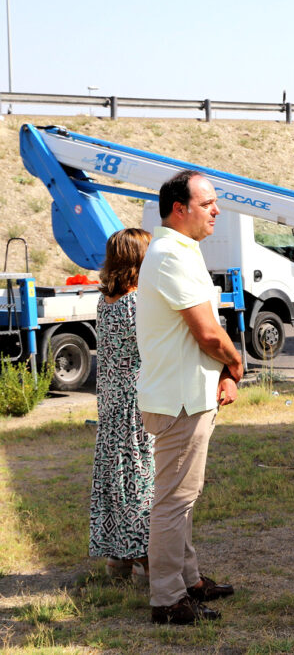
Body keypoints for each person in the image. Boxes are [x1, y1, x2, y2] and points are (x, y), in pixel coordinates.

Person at [137, 170, 243, 625]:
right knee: (173, 500)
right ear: (179, 209)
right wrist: (236, 363)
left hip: (186, 393)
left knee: (184, 495)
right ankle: (166, 598)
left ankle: (188, 580)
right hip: (180, 399)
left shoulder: (178, 251)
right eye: (208, 203)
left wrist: (222, 371)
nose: (216, 210)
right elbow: (207, 332)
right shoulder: (169, 255)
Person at [89, 228, 153, 582]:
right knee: (140, 478)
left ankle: (118, 559)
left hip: (111, 401)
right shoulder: (137, 302)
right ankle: (147, 555)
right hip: (136, 401)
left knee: (116, 477)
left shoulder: (105, 300)